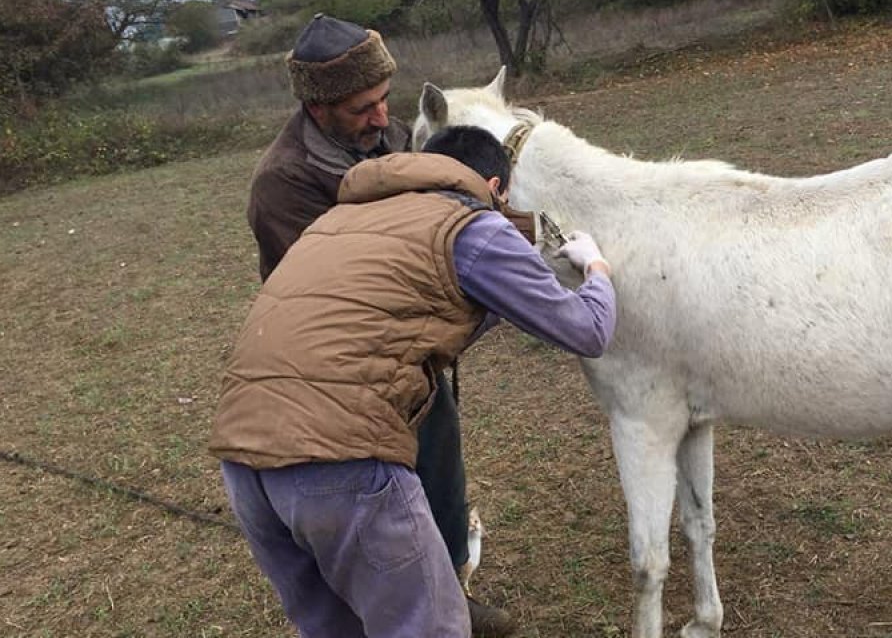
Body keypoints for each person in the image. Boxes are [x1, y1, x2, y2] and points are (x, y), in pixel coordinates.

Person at [211, 125, 617, 636]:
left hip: (244, 457)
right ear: (495, 187)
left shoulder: (340, 220)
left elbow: (409, 308)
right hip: (340, 456)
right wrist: (596, 267)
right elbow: (587, 330)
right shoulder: (473, 224)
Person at [242, 13, 522, 634]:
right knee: (370, 491)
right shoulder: (283, 183)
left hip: (410, 347)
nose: (380, 117)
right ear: (317, 107)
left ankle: (450, 586)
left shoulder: (391, 137)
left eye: (383, 98)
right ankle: (401, 605)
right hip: (339, 365)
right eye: (360, 108)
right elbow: (320, 289)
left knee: (438, 458)